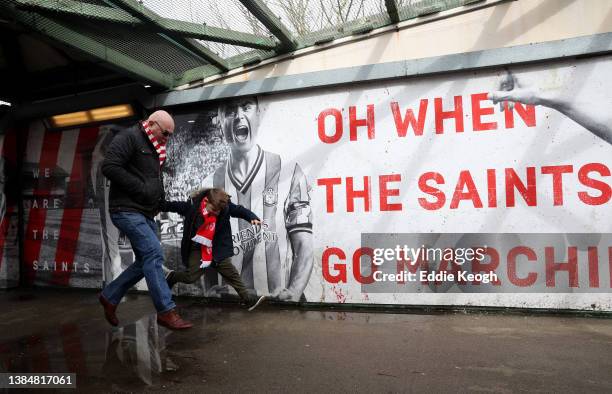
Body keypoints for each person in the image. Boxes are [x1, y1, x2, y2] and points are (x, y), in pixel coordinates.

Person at [202, 96, 314, 302]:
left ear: (258, 115)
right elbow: (204, 247)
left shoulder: (288, 170)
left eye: (246, 107)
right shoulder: (209, 183)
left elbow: (304, 246)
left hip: (278, 302)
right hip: (230, 305)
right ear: (220, 120)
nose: (239, 116)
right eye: (229, 111)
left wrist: (295, 291)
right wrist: (209, 289)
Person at [98, 110, 193, 330]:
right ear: (151, 124)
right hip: (126, 210)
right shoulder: (129, 137)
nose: (167, 138)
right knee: (153, 253)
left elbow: (152, 182)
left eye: (170, 135)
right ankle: (166, 311)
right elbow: (109, 167)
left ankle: (110, 296)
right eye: (166, 133)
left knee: (145, 262)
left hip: (145, 211)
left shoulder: (155, 147)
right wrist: (140, 189)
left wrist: (162, 202)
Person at [162, 187, 267, 311]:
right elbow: (171, 206)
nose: (217, 213)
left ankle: (248, 300)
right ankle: (172, 277)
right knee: (190, 278)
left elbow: (239, 210)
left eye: (219, 210)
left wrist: (251, 217)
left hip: (217, 248)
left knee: (232, 274)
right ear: (207, 202)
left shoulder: (224, 207)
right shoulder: (192, 207)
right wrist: (153, 205)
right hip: (198, 249)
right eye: (214, 209)